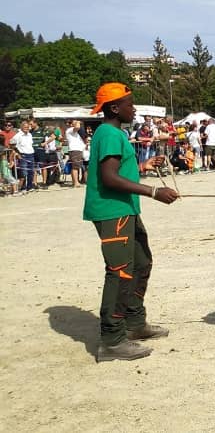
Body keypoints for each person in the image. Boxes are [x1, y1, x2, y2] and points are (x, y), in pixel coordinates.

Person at [83, 83, 179, 362]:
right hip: (112, 212)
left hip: (125, 209)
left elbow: (116, 170)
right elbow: (109, 178)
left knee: (142, 262)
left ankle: (135, 323)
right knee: (120, 272)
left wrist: (143, 167)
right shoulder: (110, 133)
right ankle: (112, 340)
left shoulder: (113, 133)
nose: (133, 108)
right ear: (114, 108)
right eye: (129, 103)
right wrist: (154, 192)